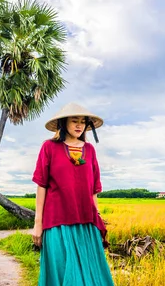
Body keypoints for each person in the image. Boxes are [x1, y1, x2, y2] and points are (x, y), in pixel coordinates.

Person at [31, 102, 114, 286]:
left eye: (83, 122)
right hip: (56, 223)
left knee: (91, 277)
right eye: (74, 120)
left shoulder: (90, 150)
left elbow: (93, 190)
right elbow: (41, 186)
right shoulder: (49, 147)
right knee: (60, 273)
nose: (79, 125)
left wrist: (97, 218)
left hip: (86, 223)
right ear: (63, 123)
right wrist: (38, 224)